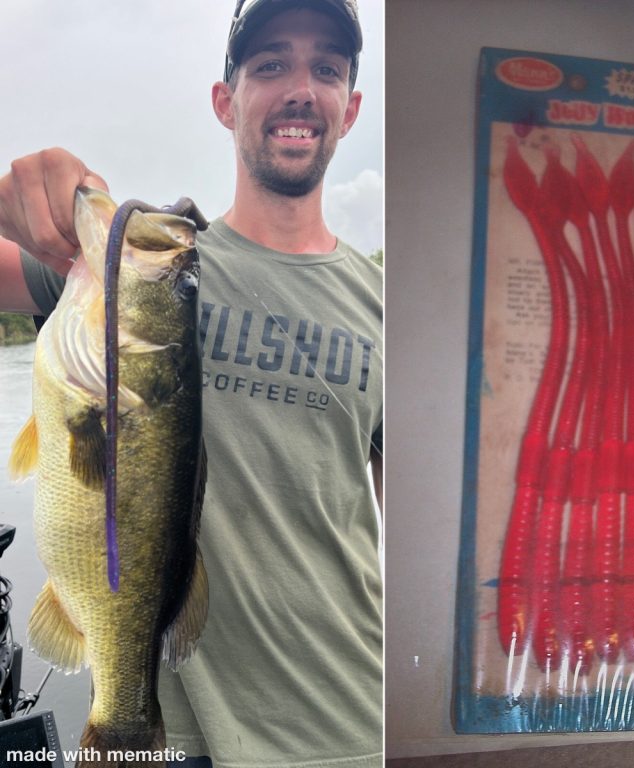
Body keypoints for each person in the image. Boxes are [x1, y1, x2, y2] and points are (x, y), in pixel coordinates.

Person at [0, 1, 383, 767]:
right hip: (169, 733)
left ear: (352, 106)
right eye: (270, 63)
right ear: (225, 100)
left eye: (327, 68)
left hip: (350, 720)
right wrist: (16, 201)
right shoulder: (141, 270)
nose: (301, 87)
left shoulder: (387, 306)